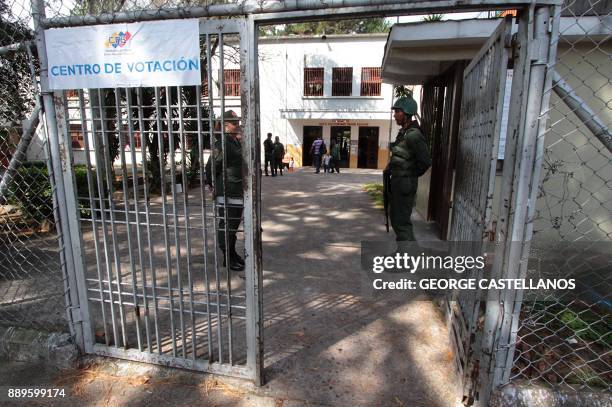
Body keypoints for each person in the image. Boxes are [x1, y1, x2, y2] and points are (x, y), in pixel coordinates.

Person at [387, 95, 431, 248]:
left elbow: (425, 161)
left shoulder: (414, 135)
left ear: (406, 113)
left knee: (401, 222)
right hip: (398, 182)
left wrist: (409, 174)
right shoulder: (404, 134)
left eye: (397, 111)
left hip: (405, 183)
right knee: (397, 220)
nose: (395, 115)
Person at [205, 110, 245, 272]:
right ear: (225, 126)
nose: (238, 125)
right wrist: (212, 186)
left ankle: (232, 253)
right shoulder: (221, 144)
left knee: (233, 226)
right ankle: (227, 258)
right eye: (234, 123)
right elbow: (210, 167)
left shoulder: (232, 141)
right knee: (227, 225)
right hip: (227, 191)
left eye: (238, 122)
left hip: (237, 190)